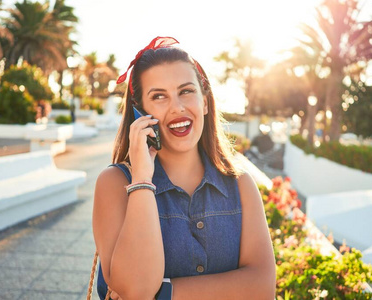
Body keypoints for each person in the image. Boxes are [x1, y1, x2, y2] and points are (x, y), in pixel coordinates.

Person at [92, 37, 276, 300]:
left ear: (205, 102)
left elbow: (261, 289)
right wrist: (142, 179)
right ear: (140, 113)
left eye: (186, 91)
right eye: (159, 96)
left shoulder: (241, 185)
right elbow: (135, 290)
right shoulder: (114, 183)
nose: (177, 107)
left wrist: (164, 292)